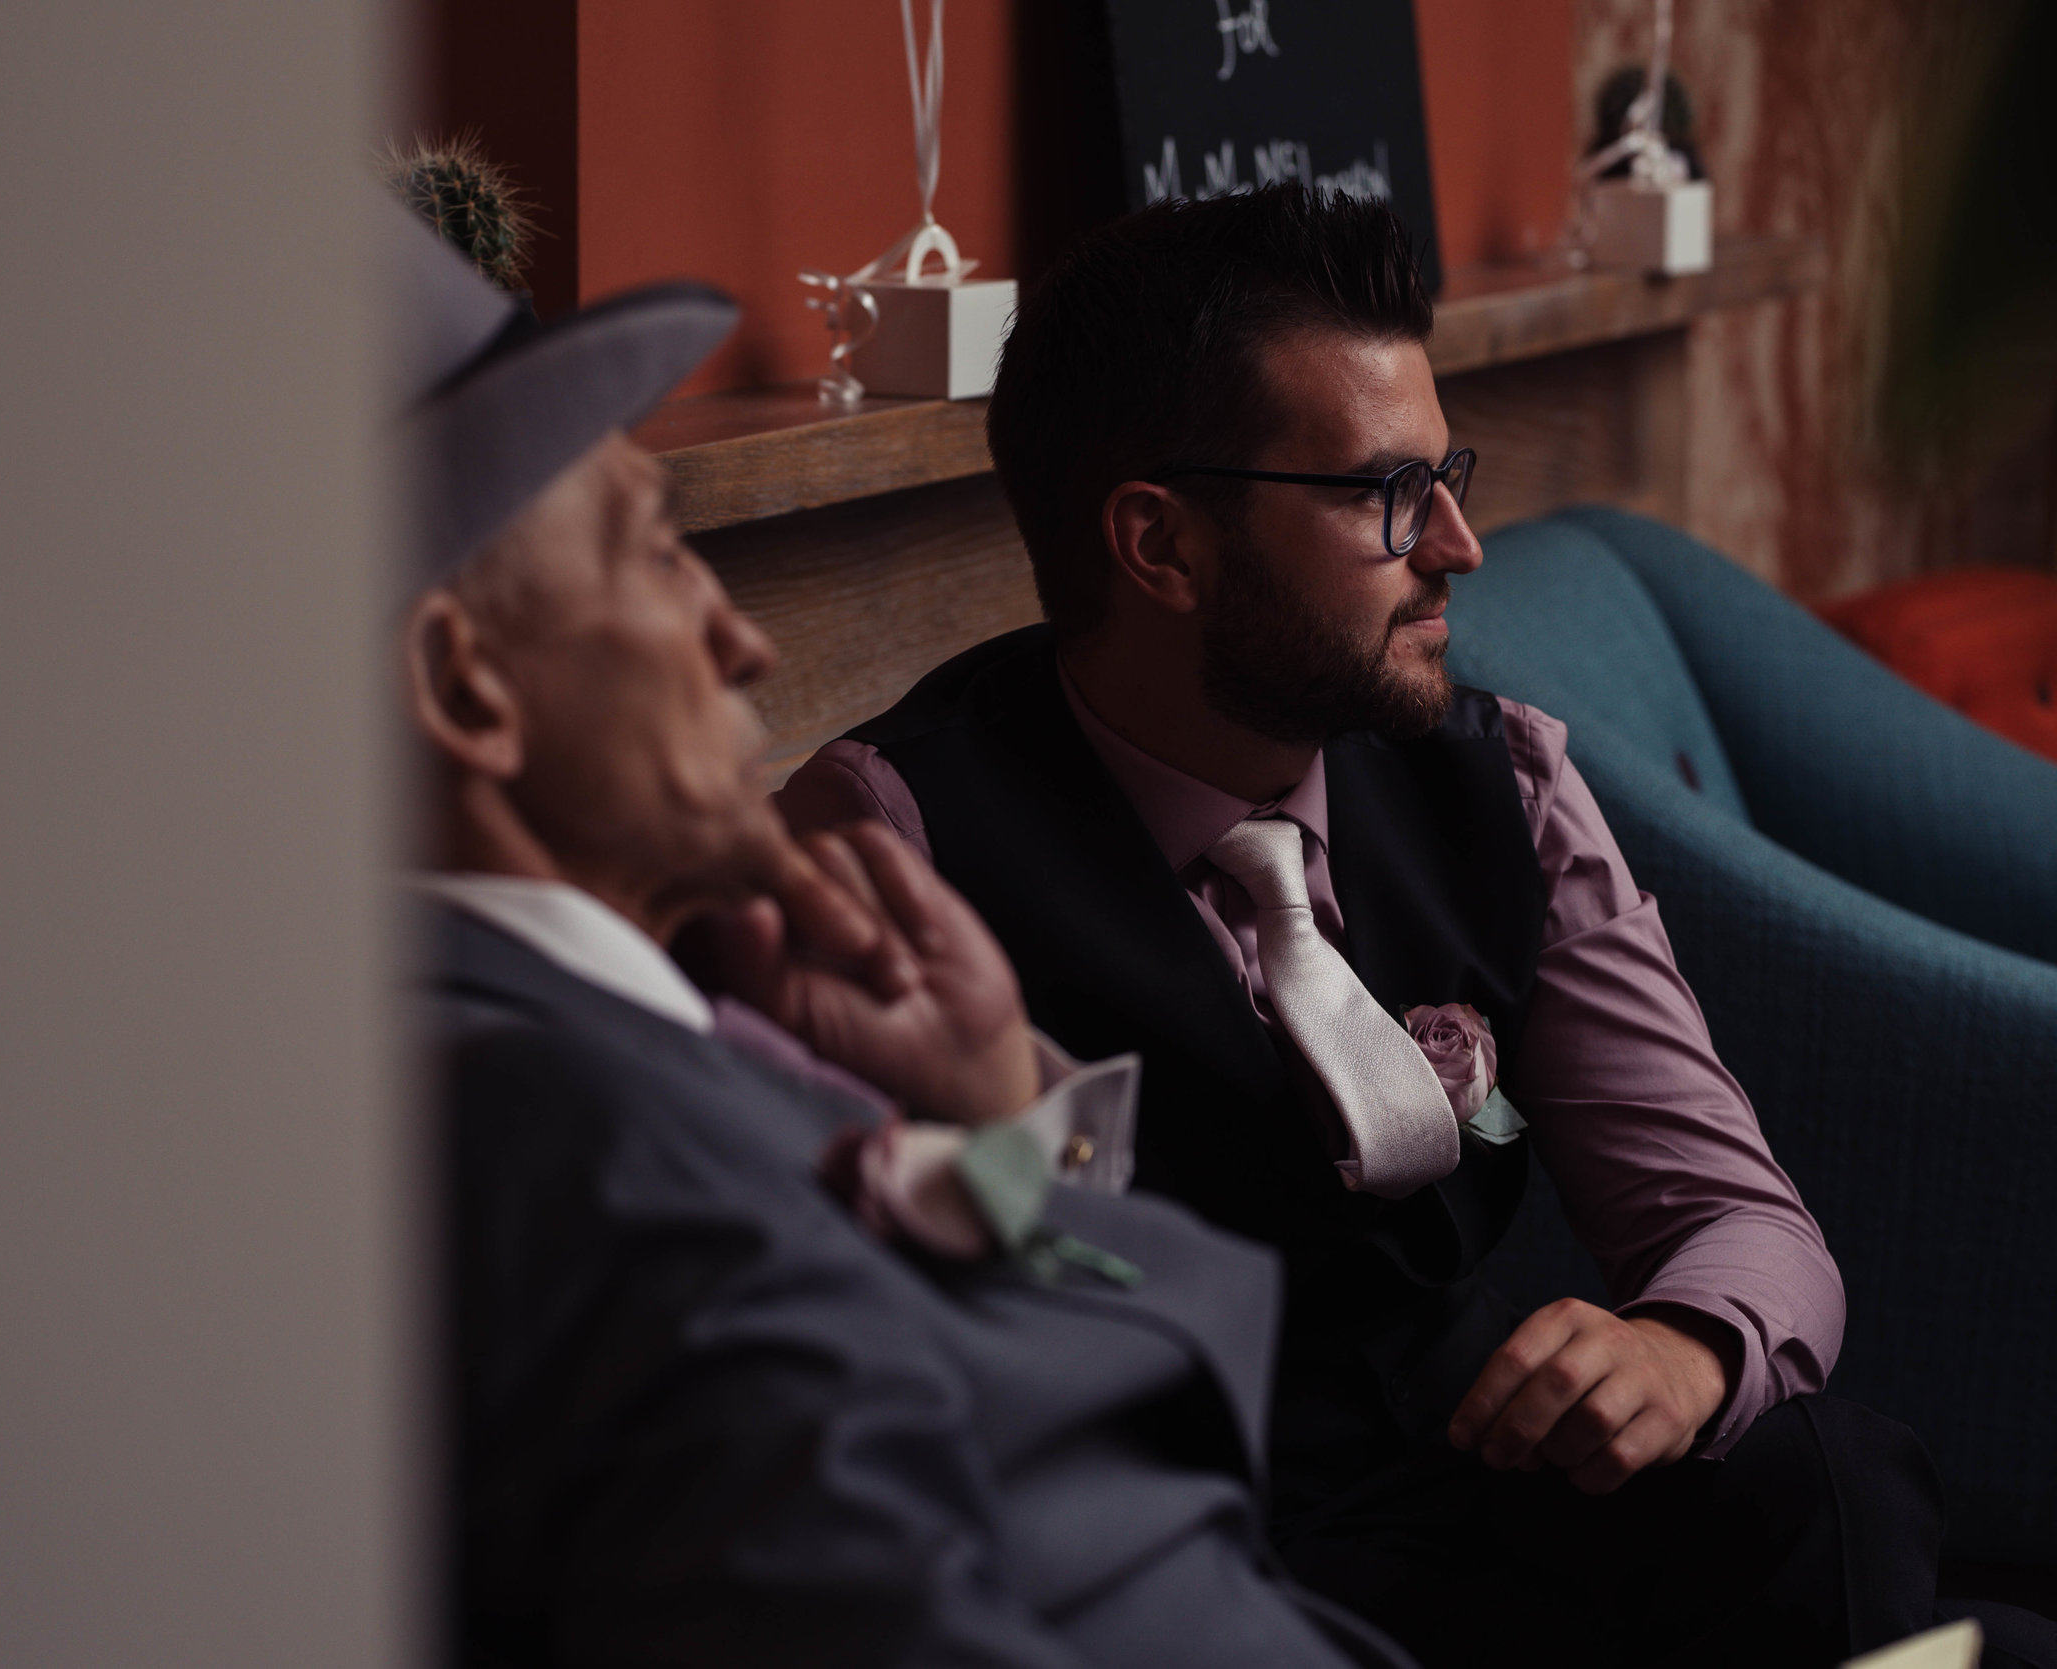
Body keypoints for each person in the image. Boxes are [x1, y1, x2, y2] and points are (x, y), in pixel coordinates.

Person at [780, 186, 2057, 1669]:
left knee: (1834, 1483)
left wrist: (1682, 1348)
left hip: (1485, 1497)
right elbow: (855, 1360)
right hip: (1191, 1553)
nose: (1462, 547)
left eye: (1450, 477)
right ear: (1161, 544)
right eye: (1386, 493)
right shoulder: (889, 832)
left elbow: (1738, 1216)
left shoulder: (1508, 776)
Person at [389, 204, 1414, 1668]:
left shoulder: (608, 1043)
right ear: (467, 686)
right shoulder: (556, 1127)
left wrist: (994, 1092)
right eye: (656, 553)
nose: (740, 638)